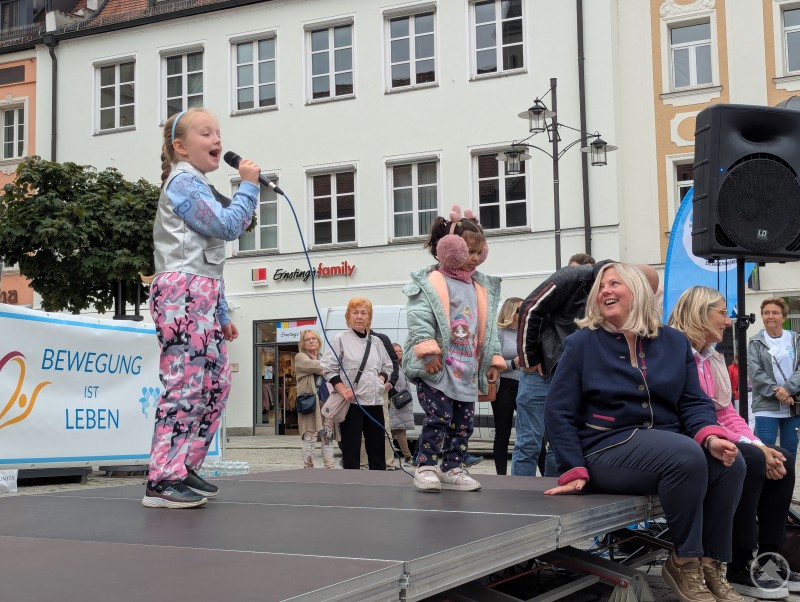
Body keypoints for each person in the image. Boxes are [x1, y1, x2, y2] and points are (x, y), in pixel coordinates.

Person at [545, 262, 746, 602]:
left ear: (637, 290)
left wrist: (711, 437)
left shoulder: (674, 342)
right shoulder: (582, 344)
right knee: (685, 455)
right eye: (601, 286)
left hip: (666, 447)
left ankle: (711, 563)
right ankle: (684, 560)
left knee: (731, 462)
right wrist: (572, 467)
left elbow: (693, 402)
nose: (605, 290)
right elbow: (557, 411)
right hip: (605, 448)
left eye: (614, 283)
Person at [143, 108, 261, 509]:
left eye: (218, 132)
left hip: (202, 295)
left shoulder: (199, 184)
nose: (217, 140)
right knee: (185, 386)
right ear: (180, 147)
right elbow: (226, 227)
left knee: (216, 384)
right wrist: (249, 186)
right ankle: (162, 478)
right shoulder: (183, 182)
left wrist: (221, 313)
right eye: (206, 133)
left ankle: (183, 466)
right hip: (182, 293)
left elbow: (210, 257)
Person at [669, 286, 798, 597]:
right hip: (687, 438)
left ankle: (769, 558)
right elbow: (690, 414)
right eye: (722, 313)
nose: (728, 321)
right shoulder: (675, 355)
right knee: (748, 459)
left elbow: (726, 412)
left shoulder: (712, 357)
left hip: (714, 434)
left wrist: (761, 446)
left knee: (781, 456)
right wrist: (754, 450)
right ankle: (738, 563)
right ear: (700, 315)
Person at [515, 260, 659, 477]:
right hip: (544, 370)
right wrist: (530, 360)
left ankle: (558, 487)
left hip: (573, 372)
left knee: (558, 443)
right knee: (529, 442)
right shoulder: (573, 277)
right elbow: (530, 308)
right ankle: (520, 495)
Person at [402, 205, 505, 492]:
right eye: (469, 251)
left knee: (463, 424)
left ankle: (452, 467)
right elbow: (419, 317)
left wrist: (493, 360)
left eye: (478, 252)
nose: (474, 258)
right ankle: (425, 466)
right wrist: (428, 351)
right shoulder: (432, 281)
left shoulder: (479, 286)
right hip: (439, 368)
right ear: (450, 248)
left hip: (466, 370)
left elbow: (488, 328)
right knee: (438, 418)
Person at [321, 298, 393, 470]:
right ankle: (351, 482)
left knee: (377, 448)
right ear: (348, 317)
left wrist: (380, 380)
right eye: (355, 312)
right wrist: (343, 390)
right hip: (352, 402)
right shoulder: (340, 339)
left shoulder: (376, 342)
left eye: (363, 313)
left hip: (374, 401)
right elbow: (328, 367)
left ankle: (379, 480)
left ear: (369, 318)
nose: (359, 316)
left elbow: (387, 365)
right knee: (351, 449)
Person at [747, 297, 800, 457]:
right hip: (765, 406)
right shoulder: (755, 342)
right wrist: (778, 392)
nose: (770, 316)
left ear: (784, 317)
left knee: (790, 451)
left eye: (775, 313)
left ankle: (788, 475)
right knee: (765, 452)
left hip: (792, 406)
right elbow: (754, 372)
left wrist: (788, 389)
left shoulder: (795, 339)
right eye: (766, 313)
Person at [294, 330, 335, 469]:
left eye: (314, 338)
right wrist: (326, 367)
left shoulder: (323, 356)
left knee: (327, 437)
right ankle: (308, 469)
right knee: (310, 437)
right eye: (307, 339)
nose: (311, 341)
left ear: (319, 341)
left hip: (327, 403)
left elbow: (331, 369)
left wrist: (323, 368)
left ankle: (329, 468)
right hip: (311, 404)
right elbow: (315, 366)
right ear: (303, 343)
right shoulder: (300, 356)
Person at [491, 297, 523, 475]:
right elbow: (491, 361)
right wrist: (513, 364)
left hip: (525, 385)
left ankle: (542, 474)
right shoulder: (499, 333)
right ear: (511, 312)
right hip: (504, 385)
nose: (524, 312)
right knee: (503, 433)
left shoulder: (527, 331)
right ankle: (501, 475)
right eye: (520, 309)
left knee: (531, 431)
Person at [388, 342, 415, 466]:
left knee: (395, 431)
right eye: (396, 351)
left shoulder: (402, 366)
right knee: (398, 430)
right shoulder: (391, 367)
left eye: (400, 351)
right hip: (396, 402)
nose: (399, 353)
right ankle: (408, 457)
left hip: (403, 403)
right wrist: (396, 396)